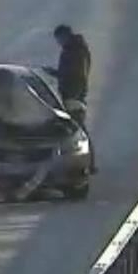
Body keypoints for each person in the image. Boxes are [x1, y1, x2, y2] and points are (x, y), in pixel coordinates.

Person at [47, 24, 96, 172]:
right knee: (77, 129)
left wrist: (74, 94)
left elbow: (77, 75)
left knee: (76, 130)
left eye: (59, 39)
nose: (59, 43)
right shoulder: (75, 50)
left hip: (73, 95)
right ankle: (88, 163)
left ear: (64, 36)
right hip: (72, 94)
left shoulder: (75, 52)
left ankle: (87, 163)